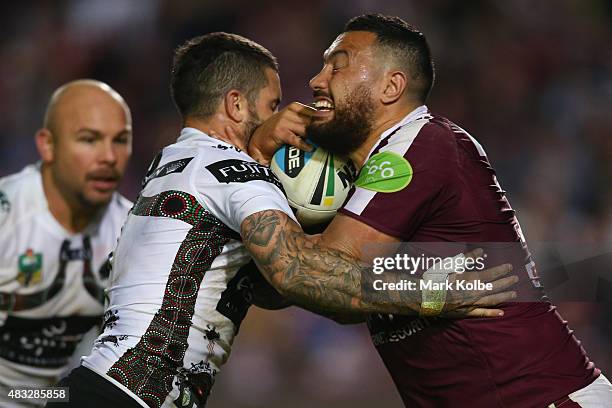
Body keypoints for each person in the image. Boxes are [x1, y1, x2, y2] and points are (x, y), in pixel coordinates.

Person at [51, 32, 517, 408]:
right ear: (236, 106)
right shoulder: (231, 171)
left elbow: (269, 288)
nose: (282, 119)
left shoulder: (173, 164)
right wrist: (432, 289)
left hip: (97, 385)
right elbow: (300, 274)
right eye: (272, 105)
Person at [247, 13, 612, 408]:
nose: (318, 80)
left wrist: (254, 162)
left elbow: (316, 272)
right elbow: (309, 291)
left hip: (543, 399)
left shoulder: (424, 143)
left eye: (338, 66)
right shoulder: (360, 177)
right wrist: (430, 292)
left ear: (391, 86)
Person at [0, 79, 133, 407]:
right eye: (89, 139)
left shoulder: (132, 232)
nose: (108, 157)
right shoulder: (7, 218)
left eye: (120, 141)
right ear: (48, 145)